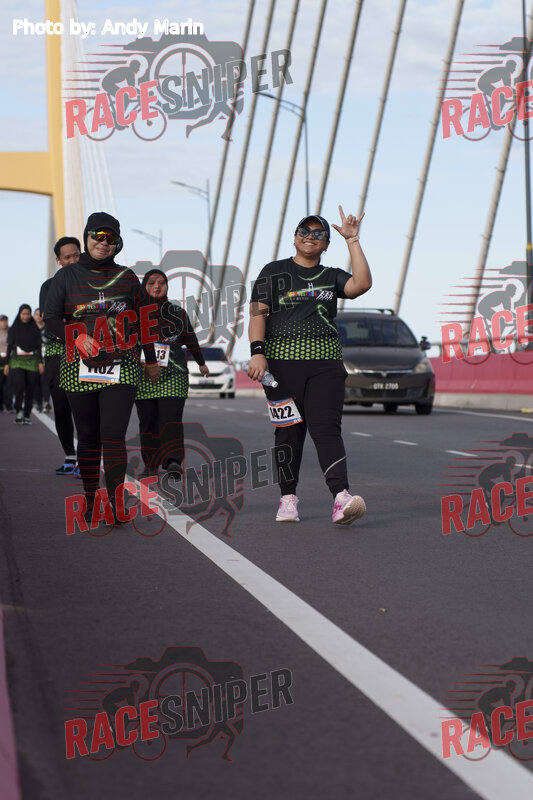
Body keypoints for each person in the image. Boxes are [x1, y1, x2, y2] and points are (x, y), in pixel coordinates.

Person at [248, 206, 372, 525]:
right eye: (305, 231)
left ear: (326, 244)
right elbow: (258, 313)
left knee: (326, 429)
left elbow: (361, 285)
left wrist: (353, 240)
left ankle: (341, 498)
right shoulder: (273, 272)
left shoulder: (331, 276)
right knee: (288, 433)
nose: (310, 237)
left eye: (319, 234)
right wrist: (257, 352)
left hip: (325, 366)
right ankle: (288, 498)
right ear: (294, 237)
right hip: (280, 369)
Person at [43, 212, 160, 525]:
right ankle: (92, 498)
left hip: (122, 365)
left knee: (113, 434)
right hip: (78, 365)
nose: (103, 243)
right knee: (88, 435)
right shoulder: (66, 277)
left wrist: (151, 361)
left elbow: (145, 321)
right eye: (98, 236)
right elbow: (51, 318)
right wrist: (76, 335)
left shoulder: (127, 278)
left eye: (111, 238)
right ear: (87, 237)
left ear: (117, 243)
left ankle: (117, 502)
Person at [135, 269, 208, 477]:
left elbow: (191, 339)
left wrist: (201, 363)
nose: (157, 287)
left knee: (170, 420)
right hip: (143, 376)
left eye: (161, 283)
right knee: (148, 422)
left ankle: (173, 461)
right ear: (144, 287)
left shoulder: (177, 313)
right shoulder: (135, 314)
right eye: (151, 283)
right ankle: (150, 464)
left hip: (174, 375)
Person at [40, 237, 82, 475]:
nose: (73, 260)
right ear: (58, 260)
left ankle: (86, 457)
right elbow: (50, 319)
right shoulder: (48, 286)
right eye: (67, 257)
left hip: (86, 352)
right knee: (62, 406)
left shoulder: (92, 283)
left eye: (76, 255)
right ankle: (69, 455)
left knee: (85, 408)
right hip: (58, 352)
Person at [4, 305, 44, 424]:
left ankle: (26, 415)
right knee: (19, 386)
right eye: (23, 314)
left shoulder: (35, 329)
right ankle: (18, 411)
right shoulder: (14, 328)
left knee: (30, 389)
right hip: (17, 362)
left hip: (32, 362)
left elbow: (38, 347)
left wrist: (40, 362)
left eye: (28, 314)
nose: (26, 316)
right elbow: (9, 347)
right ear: (19, 314)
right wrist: (7, 364)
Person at [0, 315, 13, 412]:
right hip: (0, 359)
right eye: (2, 321)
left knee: (9, 384)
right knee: (0, 384)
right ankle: (0, 406)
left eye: (5, 320)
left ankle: (9, 406)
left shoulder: (11, 331)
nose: (4, 322)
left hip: (10, 359)